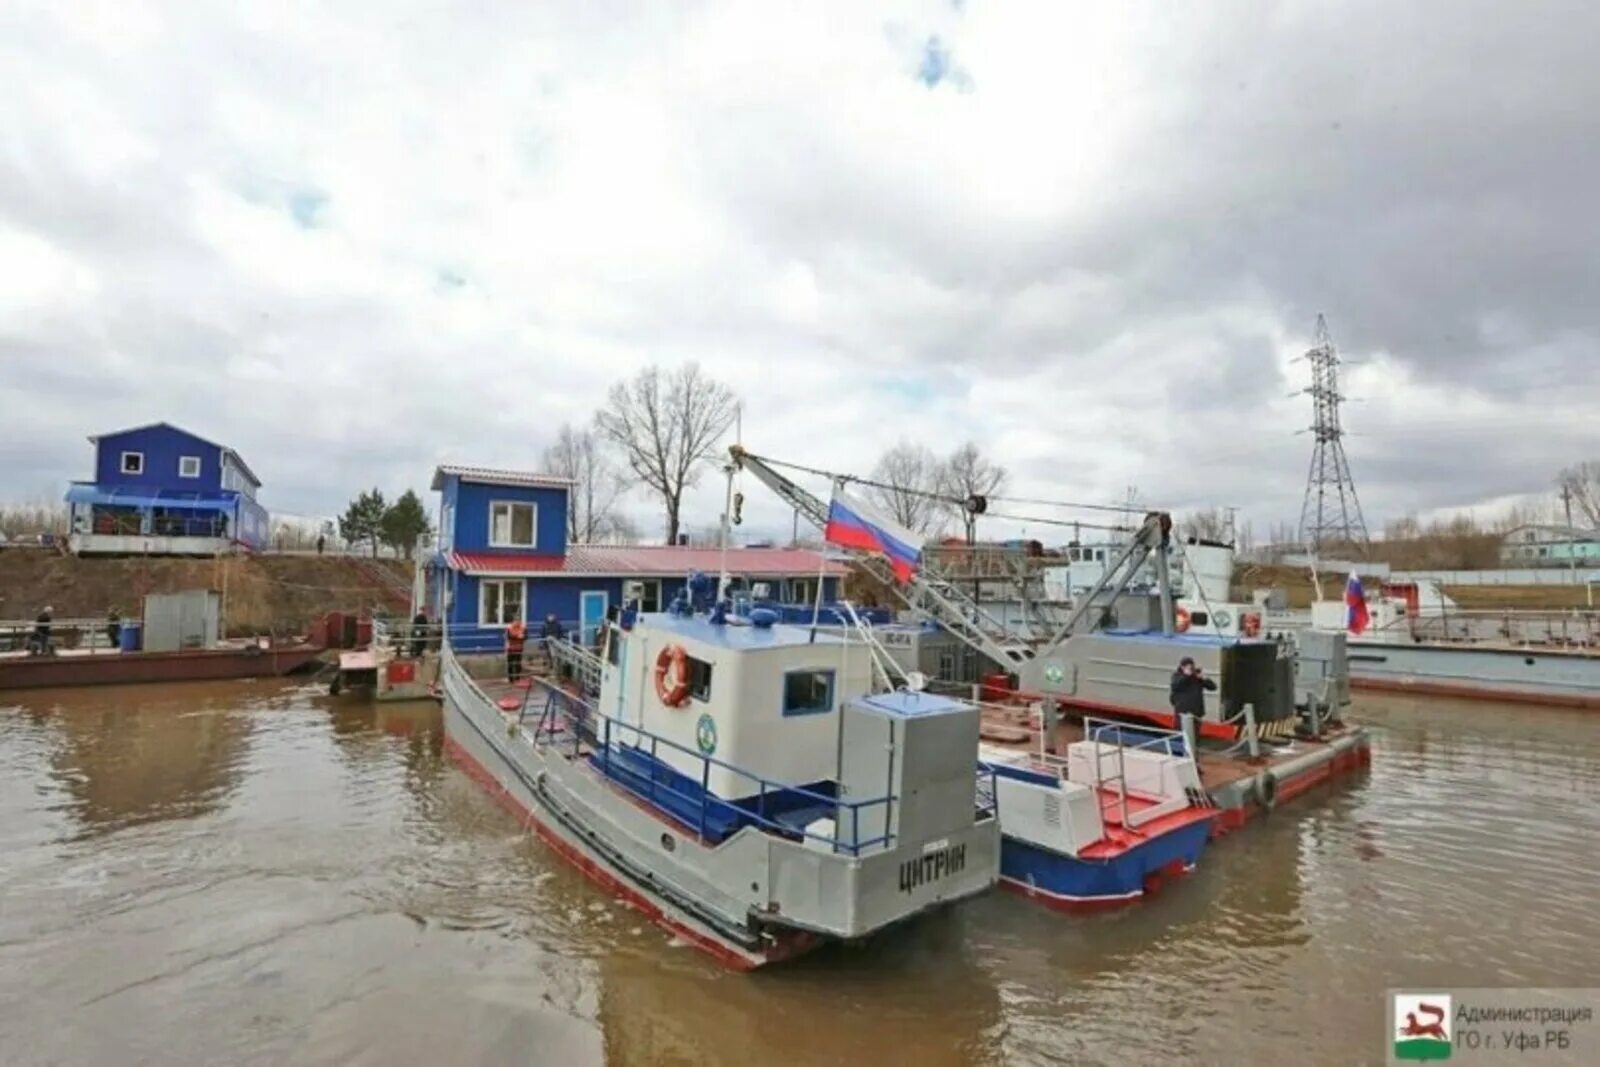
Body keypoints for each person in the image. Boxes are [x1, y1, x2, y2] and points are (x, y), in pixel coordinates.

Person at [1169, 656, 1216, 746]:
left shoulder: (1197, 677)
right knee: (1180, 736)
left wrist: (1203, 678)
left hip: (1196, 712)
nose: (1189, 668)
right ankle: (1178, 754)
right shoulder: (1177, 675)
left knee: (1194, 738)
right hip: (1182, 713)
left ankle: (1193, 755)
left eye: (1191, 666)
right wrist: (1186, 675)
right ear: (1182, 667)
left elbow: (1213, 687)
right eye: (1186, 666)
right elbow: (1175, 686)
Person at [505, 617, 527, 682]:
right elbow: (509, 636)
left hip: (519, 648)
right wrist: (518, 636)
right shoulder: (509, 628)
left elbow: (526, 636)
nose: (517, 622)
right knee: (510, 664)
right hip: (511, 648)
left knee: (518, 664)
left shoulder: (523, 628)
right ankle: (511, 679)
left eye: (518, 621)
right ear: (513, 621)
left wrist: (522, 637)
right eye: (516, 621)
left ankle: (517, 678)